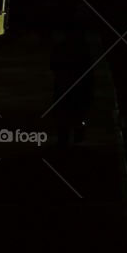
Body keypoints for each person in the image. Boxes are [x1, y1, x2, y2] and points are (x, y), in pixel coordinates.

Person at [49, 8, 97, 148]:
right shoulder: (84, 48)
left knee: (63, 113)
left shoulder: (61, 47)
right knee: (78, 112)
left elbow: (53, 65)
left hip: (64, 84)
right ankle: (77, 136)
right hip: (80, 86)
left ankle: (63, 138)